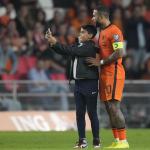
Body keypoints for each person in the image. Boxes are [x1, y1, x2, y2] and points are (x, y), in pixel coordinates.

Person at [45, 24, 100, 149]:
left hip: (89, 83)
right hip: (78, 84)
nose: (79, 34)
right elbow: (63, 50)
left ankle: (96, 141)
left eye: (82, 32)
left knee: (92, 113)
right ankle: (82, 141)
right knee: (79, 113)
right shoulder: (78, 46)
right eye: (80, 32)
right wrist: (51, 42)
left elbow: (69, 51)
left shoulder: (90, 47)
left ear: (90, 35)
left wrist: (55, 41)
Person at [86, 5, 129, 149]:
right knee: (108, 107)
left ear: (101, 16)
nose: (93, 18)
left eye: (94, 15)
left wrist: (101, 62)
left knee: (114, 107)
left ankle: (124, 141)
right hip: (104, 73)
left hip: (114, 73)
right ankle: (117, 140)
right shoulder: (102, 31)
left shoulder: (115, 31)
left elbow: (119, 53)